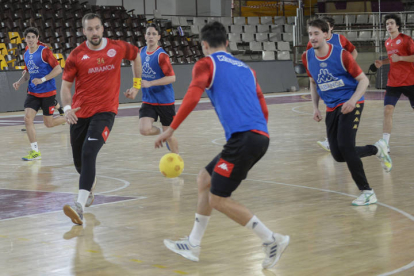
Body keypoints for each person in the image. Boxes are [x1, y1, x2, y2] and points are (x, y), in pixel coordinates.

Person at [155, 21, 290, 269]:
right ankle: (193, 244)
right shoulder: (247, 69)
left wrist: (171, 129)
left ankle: (271, 240)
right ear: (227, 43)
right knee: (204, 179)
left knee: (218, 199)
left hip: (244, 138)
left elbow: (193, 95)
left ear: (204, 45)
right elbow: (262, 106)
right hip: (259, 136)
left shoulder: (206, 63)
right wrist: (259, 134)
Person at [61, 13, 142, 225]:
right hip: (79, 114)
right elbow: (65, 87)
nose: (94, 32)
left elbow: (136, 55)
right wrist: (67, 108)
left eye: (97, 28)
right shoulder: (76, 55)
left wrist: (136, 85)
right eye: (90, 29)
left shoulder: (117, 47)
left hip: (105, 112)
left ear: (103, 28)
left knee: (89, 152)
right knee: (80, 162)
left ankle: (78, 206)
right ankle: (90, 186)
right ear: (84, 31)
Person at [302, 19, 392, 206]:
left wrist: (352, 101)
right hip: (331, 107)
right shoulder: (307, 57)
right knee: (338, 154)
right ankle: (377, 149)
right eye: (310, 34)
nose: (313, 37)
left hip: (351, 103)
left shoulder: (342, 55)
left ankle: (367, 192)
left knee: (346, 146)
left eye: (316, 33)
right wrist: (315, 107)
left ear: (327, 35)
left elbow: (364, 81)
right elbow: (313, 83)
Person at [12, 27, 66, 161]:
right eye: (28, 37)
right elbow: (28, 73)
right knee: (27, 119)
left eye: (32, 37)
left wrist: (42, 79)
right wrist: (19, 82)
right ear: (25, 39)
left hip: (47, 92)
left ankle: (70, 117)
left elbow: (58, 69)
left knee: (49, 124)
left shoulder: (44, 52)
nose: (30, 39)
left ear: (37, 38)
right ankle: (35, 152)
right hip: (33, 92)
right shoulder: (25, 53)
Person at [306, 17, 358, 152]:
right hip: (328, 87)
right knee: (333, 115)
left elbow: (353, 51)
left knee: (345, 132)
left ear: (330, 28)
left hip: (344, 88)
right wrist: (315, 107)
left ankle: (345, 146)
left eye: (326, 27)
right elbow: (312, 72)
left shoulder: (340, 39)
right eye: (312, 33)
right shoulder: (312, 46)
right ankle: (335, 143)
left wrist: (347, 66)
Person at [374, 14, 414, 153]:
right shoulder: (387, 42)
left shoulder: (406, 39)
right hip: (393, 81)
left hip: (410, 81)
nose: (389, 26)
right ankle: (385, 143)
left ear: (397, 25)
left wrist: (401, 57)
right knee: (387, 110)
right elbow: (393, 59)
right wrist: (383, 62)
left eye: (391, 23)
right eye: (387, 24)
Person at [139, 23, 178, 153]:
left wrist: (151, 83)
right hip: (149, 100)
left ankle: (178, 160)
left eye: (154, 34)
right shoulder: (141, 52)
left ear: (159, 37)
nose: (151, 36)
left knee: (170, 136)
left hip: (165, 101)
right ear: (145, 36)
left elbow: (172, 78)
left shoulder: (162, 56)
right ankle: (163, 133)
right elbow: (139, 72)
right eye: (149, 33)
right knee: (144, 130)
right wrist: (134, 88)